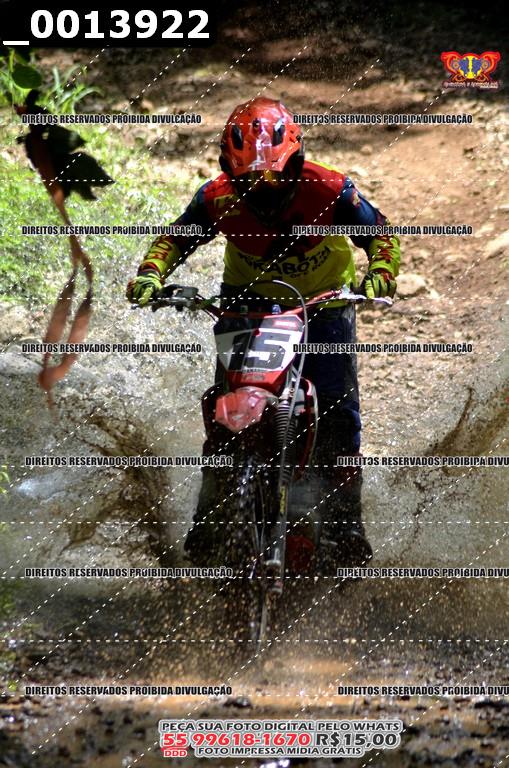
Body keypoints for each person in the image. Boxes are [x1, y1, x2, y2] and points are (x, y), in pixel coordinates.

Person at [127, 97, 400, 568]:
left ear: (295, 160)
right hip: (245, 303)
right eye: (250, 179)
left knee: (338, 415)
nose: (262, 188)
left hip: (322, 305)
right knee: (225, 411)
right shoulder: (215, 198)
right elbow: (174, 238)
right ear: (228, 171)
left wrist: (381, 272)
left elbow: (381, 234)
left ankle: (346, 525)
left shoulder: (329, 188)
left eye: (274, 176)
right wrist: (151, 273)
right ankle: (209, 521)